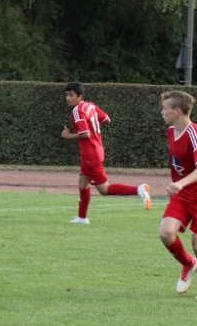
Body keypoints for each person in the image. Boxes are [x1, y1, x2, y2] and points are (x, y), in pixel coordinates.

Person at [158, 90, 197, 299]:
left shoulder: (196, 133)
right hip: (184, 193)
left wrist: (179, 183)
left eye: (165, 108)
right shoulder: (171, 132)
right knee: (166, 232)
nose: (162, 112)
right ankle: (188, 264)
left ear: (177, 111)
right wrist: (178, 186)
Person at [61, 81, 151, 224]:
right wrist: (92, 127)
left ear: (80, 96)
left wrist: (68, 135)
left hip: (90, 154)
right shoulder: (91, 106)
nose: (68, 98)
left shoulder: (77, 111)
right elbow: (106, 119)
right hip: (96, 151)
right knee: (83, 184)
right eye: (66, 95)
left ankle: (138, 189)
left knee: (104, 189)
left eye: (71, 95)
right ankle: (82, 218)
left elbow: (85, 134)